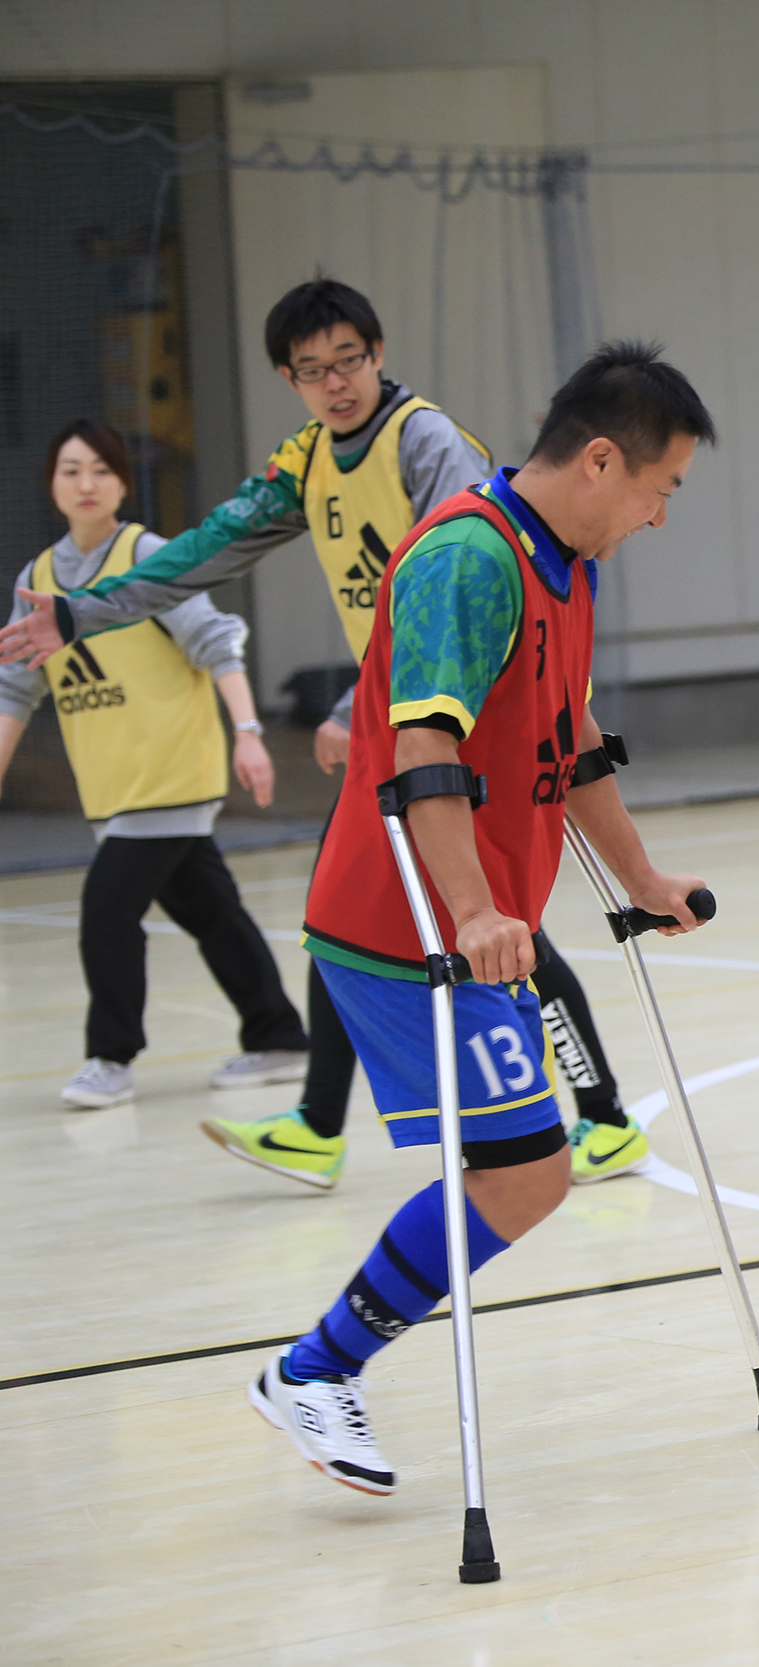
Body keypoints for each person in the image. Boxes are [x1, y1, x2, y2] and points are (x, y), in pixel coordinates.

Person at [0, 277, 649, 1189]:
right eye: (313, 371)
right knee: (345, 917)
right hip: (406, 716)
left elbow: (466, 593)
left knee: (500, 925)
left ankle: (603, 1114)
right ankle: (317, 1120)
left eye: (349, 361)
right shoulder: (307, 460)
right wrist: (83, 615)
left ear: (378, 355)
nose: (336, 382)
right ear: (288, 378)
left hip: (479, 715)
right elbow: (203, 551)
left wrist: (358, 707)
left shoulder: (425, 442)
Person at [249, 342, 715, 1495]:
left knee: (527, 1169)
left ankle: (316, 1365)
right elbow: (424, 746)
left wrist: (643, 876)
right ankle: (312, 1370)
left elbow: (573, 740)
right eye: (661, 488)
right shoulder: (471, 555)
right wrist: (470, 908)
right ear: (602, 460)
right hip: (400, 920)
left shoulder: (568, 561)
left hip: (472, 919)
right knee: (524, 1171)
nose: (660, 517)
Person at [0, 420, 308, 1107]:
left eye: (100, 471)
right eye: (71, 470)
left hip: (172, 773)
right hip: (113, 786)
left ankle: (110, 1057)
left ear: (122, 483)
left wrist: (249, 732)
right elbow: (17, 687)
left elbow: (214, 641)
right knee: (210, 910)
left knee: (106, 909)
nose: (86, 484)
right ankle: (279, 1033)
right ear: (51, 483)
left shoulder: (148, 554)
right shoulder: (38, 579)